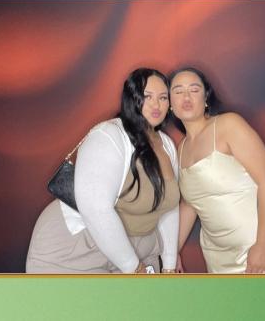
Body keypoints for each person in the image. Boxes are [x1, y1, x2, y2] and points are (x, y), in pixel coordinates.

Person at [25, 68, 180, 274]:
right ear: (132, 98)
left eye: (163, 97)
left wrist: (169, 264)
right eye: (147, 96)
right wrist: (134, 268)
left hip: (138, 248)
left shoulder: (167, 145)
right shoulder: (108, 136)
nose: (156, 104)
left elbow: (168, 207)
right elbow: (96, 210)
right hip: (76, 248)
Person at [169, 67, 265, 273]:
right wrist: (171, 252)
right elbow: (190, 205)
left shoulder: (229, 125)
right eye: (178, 91)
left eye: (194, 89)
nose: (186, 97)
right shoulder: (180, 149)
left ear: (206, 98)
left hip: (259, 243)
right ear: (170, 103)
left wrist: (263, 245)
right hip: (218, 256)